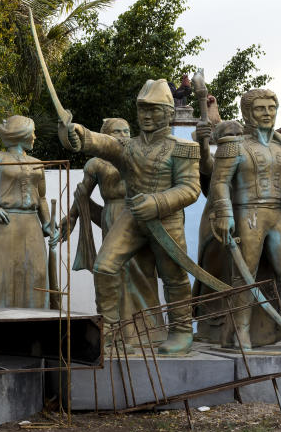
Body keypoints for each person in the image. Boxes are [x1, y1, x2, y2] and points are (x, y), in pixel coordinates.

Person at [60, 80, 201, 355]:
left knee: (173, 276)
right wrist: (79, 133)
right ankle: (110, 330)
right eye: (142, 110)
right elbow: (103, 143)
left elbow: (191, 188)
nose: (147, 116)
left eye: (154, 110)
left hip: (167, 220)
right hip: (132, 217)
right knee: (104, 267)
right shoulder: (128, 146)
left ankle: (182, 330)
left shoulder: (183, 148)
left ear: (169, 113)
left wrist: (157, 202)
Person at [204, 88, 281, 349]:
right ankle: (241, 333)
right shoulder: (234, 145)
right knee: (244, 277)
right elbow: (219, 183)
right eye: (260, 109)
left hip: (279, 216)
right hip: (247, 215)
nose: (267, 114)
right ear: (248, 113)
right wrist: (225, 214)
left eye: (271, 108)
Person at [60, 118, 161, 336]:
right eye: (117, 131)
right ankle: (119, 331)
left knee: (143, 271)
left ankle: (148, 331)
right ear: (106, 135)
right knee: (116, 271)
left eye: (127, 130)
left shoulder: (139, 158)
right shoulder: (97, 163)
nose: (124, 135)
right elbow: (82, 194)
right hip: (113, 216)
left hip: (141, 215)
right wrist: (71, 217)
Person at [0, 115, 55, 308]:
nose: (35, 137)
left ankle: (36, 319)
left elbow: (42, 198)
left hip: (32, 225)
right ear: (20, 134)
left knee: (36, 273)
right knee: (3, 274)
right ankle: (1, 320)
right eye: (32, 132)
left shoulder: (37, 162)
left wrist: (47, 223)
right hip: (6, 224)